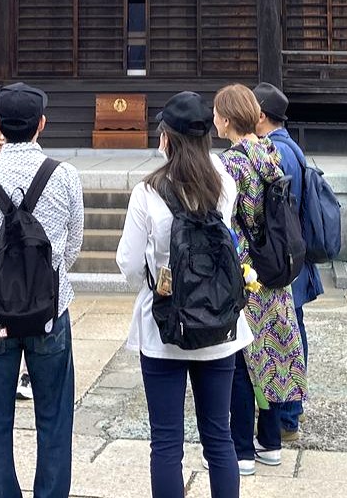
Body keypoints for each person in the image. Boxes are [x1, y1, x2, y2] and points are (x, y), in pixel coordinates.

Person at [115, 92, 252, 498]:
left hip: (164, 327)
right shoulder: (224, 184)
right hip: (219, 326)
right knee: (219, 436)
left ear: (167, 139)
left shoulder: (148, 192)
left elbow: (127, 262)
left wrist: (156, 284)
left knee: (166, 443)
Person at [0, 82, 84, 498]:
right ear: (41, 125)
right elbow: (72, 248)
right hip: (51, 310)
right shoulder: (65, 176)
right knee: (54, 415)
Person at [213, 84, 307, 473]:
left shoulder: (229, 164)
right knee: (269, 357)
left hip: (244, 271)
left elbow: (225, 222)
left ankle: (241, 449)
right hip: (274, 268)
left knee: (239, 362)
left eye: (217, 112)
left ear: (228, 118)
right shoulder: (271, 153)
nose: (214, 119)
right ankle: (270, 442)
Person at [251, 82, 322, 445]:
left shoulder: (274, 152)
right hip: (294, 255)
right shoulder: (290, 147)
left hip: (281, 258)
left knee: (284, 335)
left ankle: (287, 416)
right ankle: (290, 410)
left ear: (260, 115)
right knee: (292, 329)